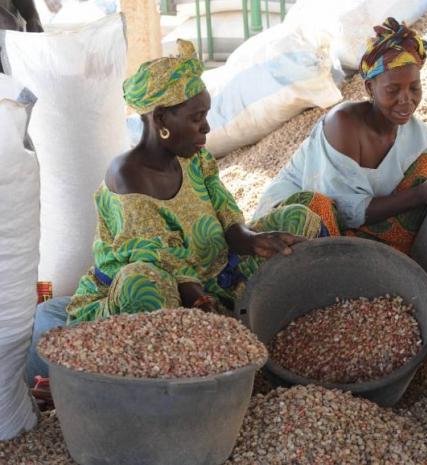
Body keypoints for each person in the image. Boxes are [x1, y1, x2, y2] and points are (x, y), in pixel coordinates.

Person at [25, 40, 326, 386]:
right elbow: (158, 260)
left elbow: (229, 219)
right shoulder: (126, 176)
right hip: (163, 295)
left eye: (206, 116)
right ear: (161, 119)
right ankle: (173, 378)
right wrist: (201, 305)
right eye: (197, 118)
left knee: (297, 218)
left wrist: (256, 241)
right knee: (145, 281)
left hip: (214, 275)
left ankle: (268, 329)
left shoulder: (194, 158)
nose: (207, 128)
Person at [254, 18, 427, 254]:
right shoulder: (343, 124)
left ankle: (378, 266)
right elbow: (340, 209)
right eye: (393, 90)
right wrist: (419, 195)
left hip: (354, 234)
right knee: (316, 208)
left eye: (414, 88)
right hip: (295, 230)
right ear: (369, 88)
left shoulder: (418, 135)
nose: (406, 100)